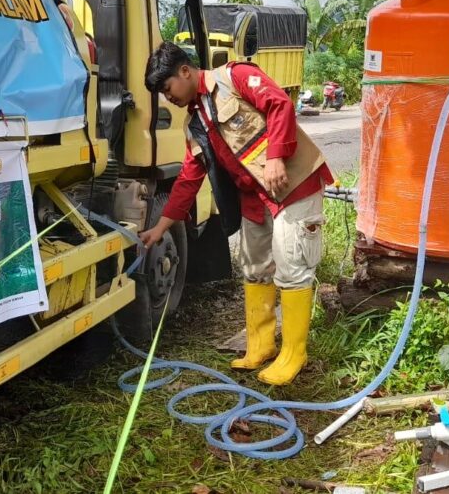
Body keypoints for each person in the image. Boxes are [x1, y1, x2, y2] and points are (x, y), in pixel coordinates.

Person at [138, 42, 332, 386]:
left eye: (168, 89)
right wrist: (160, 227)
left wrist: (275, 157)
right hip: (255, 198)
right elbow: (188, 179)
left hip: (293, 186)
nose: (169, 99)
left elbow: (279, 105)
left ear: (185, 71)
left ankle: (293, 353)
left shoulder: (236, 77)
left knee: (292, 267)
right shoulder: (194, 123)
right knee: (254, 267)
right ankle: (260, 346)